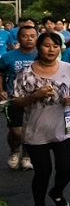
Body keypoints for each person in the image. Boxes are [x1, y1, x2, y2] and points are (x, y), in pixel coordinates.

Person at [11, 31, 70, 206]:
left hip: (64, 129)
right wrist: (35, 96)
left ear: (60, 49)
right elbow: (16, 102)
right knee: (43, 172)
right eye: (47, 45)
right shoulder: (26, 73)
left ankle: (57, 193)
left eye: (55, 46)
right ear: (39, 47)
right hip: (36, 131)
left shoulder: (67, 68)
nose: (51, 50)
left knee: (67, 169)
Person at [1, 22, 39, 169]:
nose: (29, 39)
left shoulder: (41, 55)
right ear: (18, 38)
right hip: (14, 98)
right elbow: (1, 72)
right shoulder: (8, 56)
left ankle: (26, 156)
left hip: (36, 99)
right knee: (16, 131)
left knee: (30, 130)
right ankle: (14, 150)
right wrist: (0, 90)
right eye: (25, 36)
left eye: (32, 36)